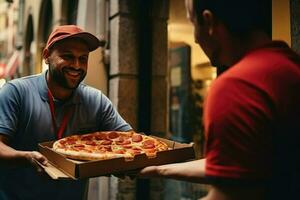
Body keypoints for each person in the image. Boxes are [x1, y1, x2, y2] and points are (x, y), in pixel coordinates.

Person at [138, 0, 300, 200]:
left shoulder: (236, 87)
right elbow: (247, 166)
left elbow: (231, 194)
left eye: (193, 23)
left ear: (209, 22)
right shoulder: (290, 66)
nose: (196, 39)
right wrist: (160, 170)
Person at [0, 25, 132, 200]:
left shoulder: (96, 101)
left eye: (83, 58)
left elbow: (130, 142)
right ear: (46, 56)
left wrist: (118, 162)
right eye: (68, 56)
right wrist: (26, 157)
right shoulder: (16, 92)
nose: (76, 65)